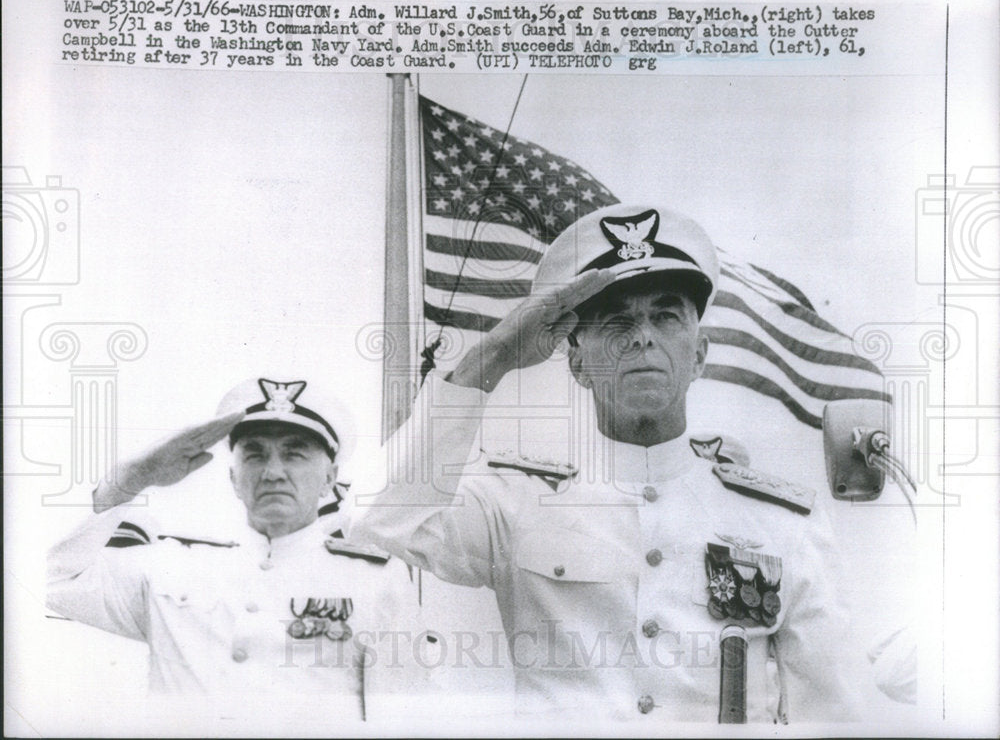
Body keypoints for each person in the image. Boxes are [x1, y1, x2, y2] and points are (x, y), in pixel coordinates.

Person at [349, 204, 862, 722]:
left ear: (700, 355)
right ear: (577, 361)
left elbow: (833, 712)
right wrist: (494, 357)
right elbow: (377, 517)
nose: (642, 337)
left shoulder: (782, 523)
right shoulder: (517, 502)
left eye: (666, 315)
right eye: (618, 319)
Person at [47, 376, 425, 720]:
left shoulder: (375, 579)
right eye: (255, 454)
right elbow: (53, 584)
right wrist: (130, 479)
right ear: (233, 476)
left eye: (294, 453)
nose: (273, 471)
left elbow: (403, 719)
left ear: (330, 478)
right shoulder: (171, 564)